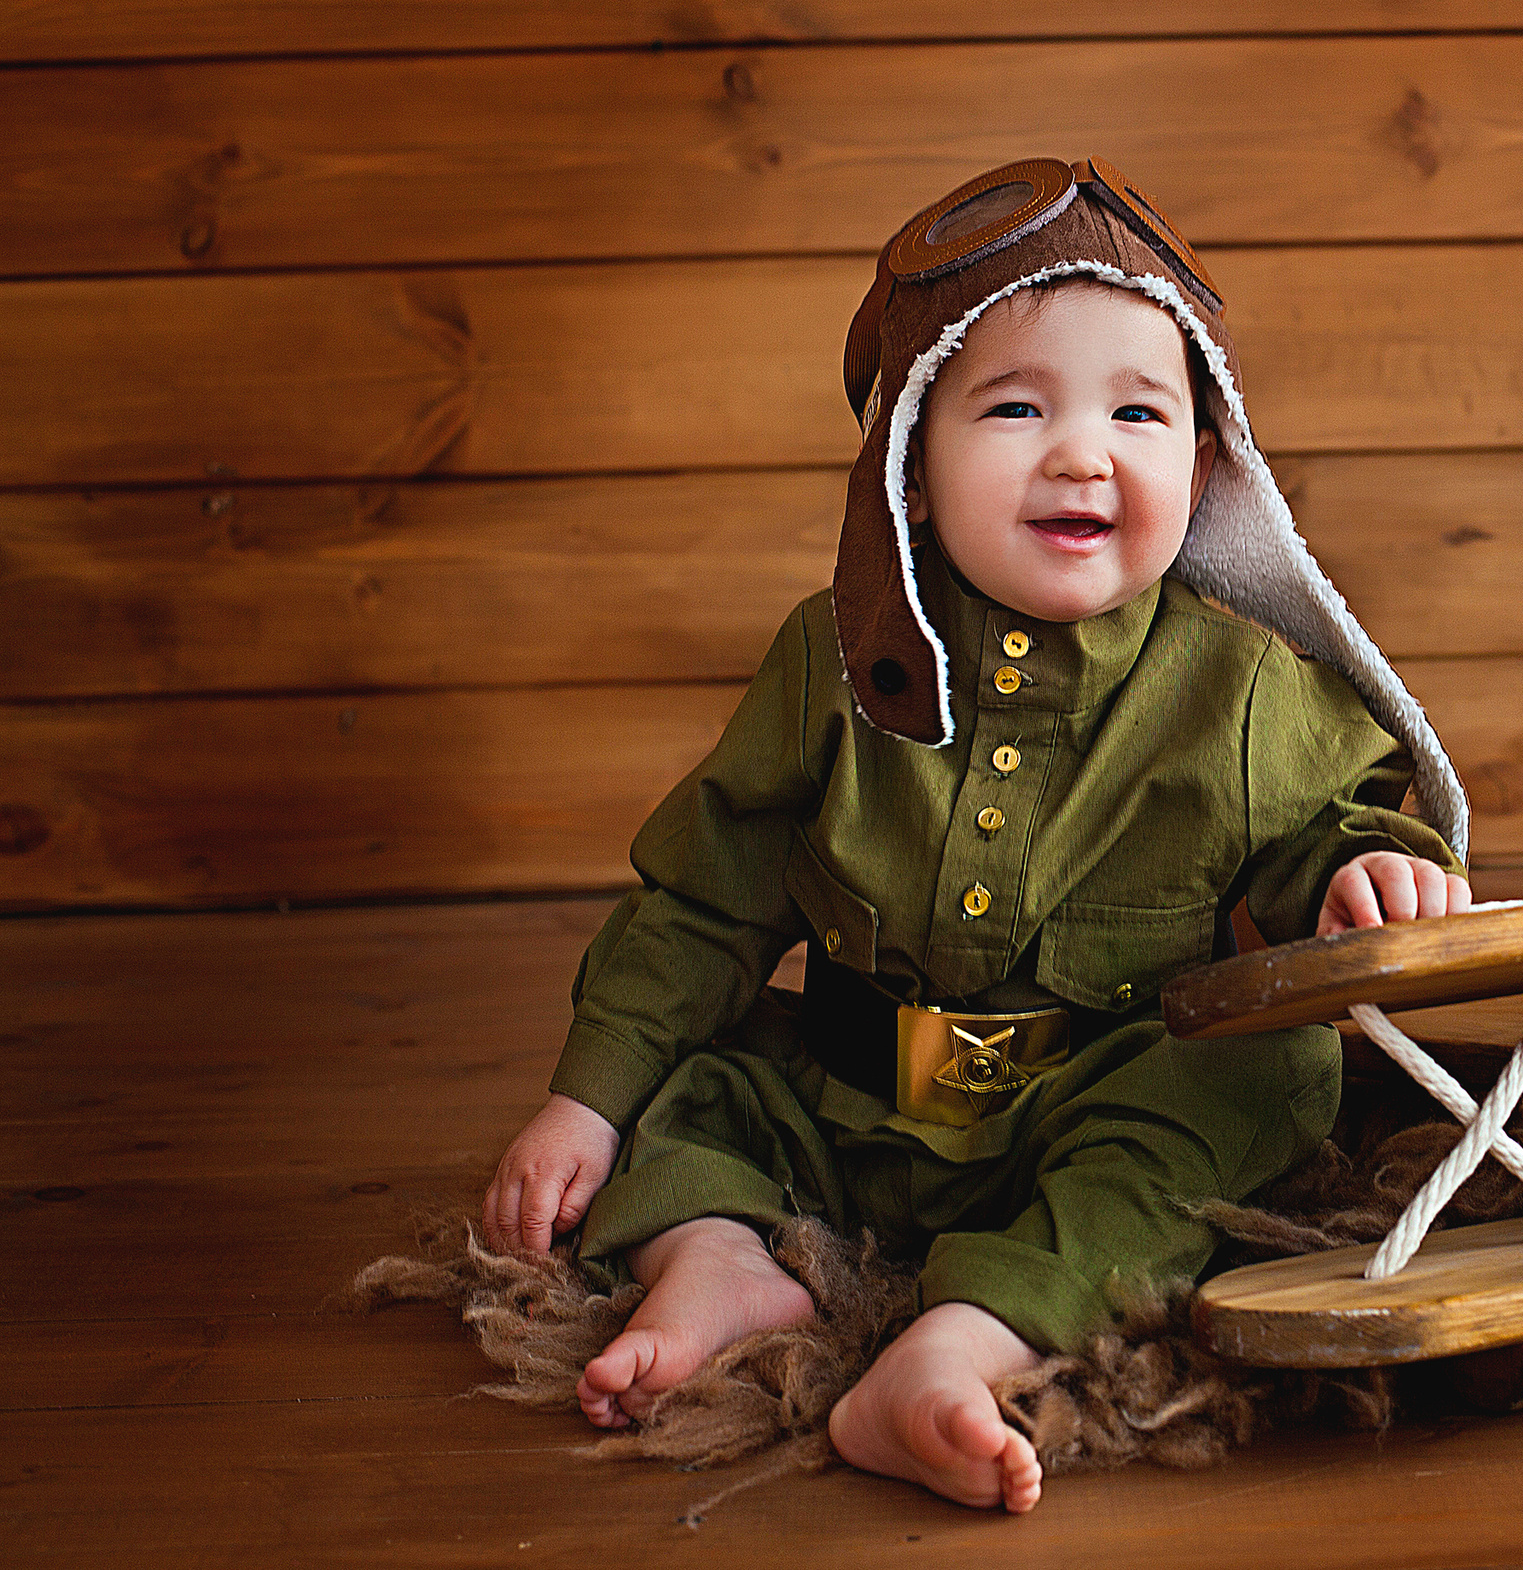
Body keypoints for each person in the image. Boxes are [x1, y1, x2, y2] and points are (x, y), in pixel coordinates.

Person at [478, 158, 1472, 1513]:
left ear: (1207, 458)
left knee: (1257, 1088)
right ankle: (719, 1261)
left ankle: (958, 1347)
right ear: (911, 469)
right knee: (691, 1093)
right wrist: (582, 1098)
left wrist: (1365, 871)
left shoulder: (1234, 688)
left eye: (1139, 410)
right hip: (853, 1088)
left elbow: (1327, 821)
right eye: (1015, 408)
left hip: (1091, 1092)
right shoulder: (828, 660)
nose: (1082, 452)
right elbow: (706, 898)